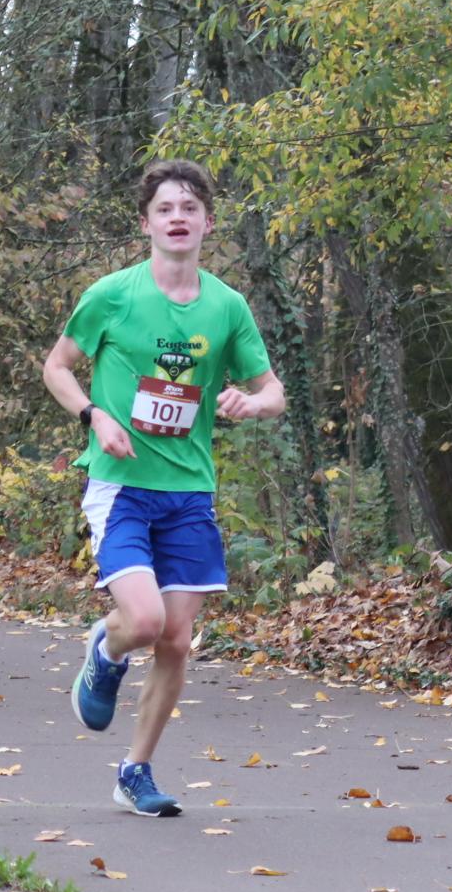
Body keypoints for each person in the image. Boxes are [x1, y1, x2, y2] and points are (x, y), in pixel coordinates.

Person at [40, 159, 284, 816]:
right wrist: (94, 415)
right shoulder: (112, 295)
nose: (178, 218)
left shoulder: (226, 306)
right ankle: (107, 646)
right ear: (146, 224)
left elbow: (273, 391)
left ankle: (135, 771)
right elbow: (57, 367)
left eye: (189, 208)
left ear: (208, 222)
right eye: (165, 209)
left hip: (189, 493)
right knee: (144, 623)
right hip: (121, 485)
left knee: (176, 639)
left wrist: (251, 403)